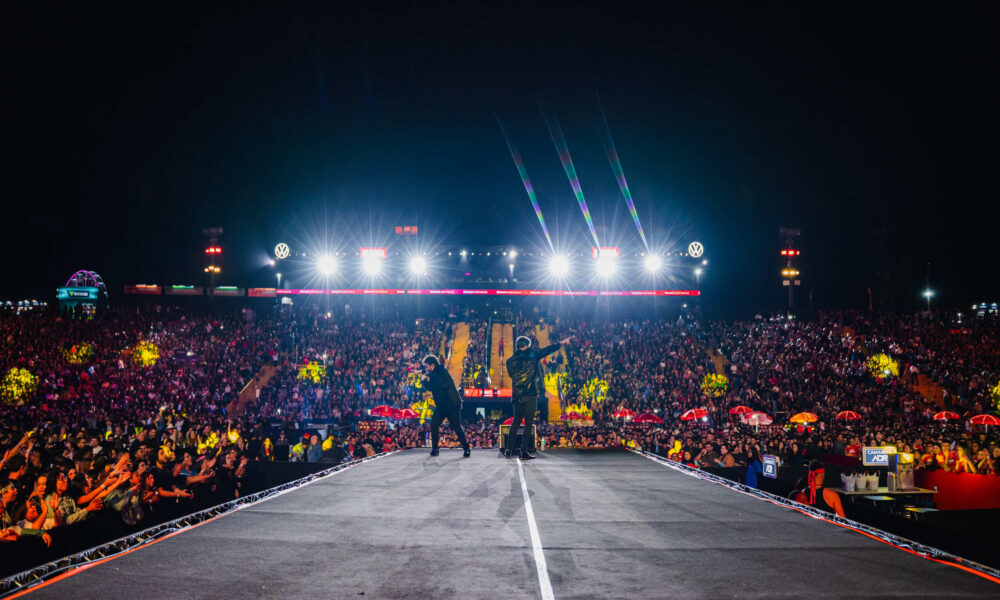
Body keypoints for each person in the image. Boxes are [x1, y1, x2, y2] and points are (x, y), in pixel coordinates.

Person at [503, 335, 570, 459]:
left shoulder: (509, 361)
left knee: (516, 422)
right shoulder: (532, 355)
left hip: (517, 395)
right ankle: (523, 452)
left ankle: (508, 449)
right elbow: (547, 350)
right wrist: (561, 343)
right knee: (528, 424)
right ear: (527, 345)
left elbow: (513, 376)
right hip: (530, 395)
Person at [421, 355, 470, 458]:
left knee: (456, 426)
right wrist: (422, 373)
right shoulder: (435, 372)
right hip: (442, 406)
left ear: (432, 365)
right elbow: (432, 376)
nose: (426, 369)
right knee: (434, 425)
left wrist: (424, 380)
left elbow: (433, 386)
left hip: (452, 405)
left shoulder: (442, 372)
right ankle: (435, 449)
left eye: (427, 367)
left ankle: (466, 448)